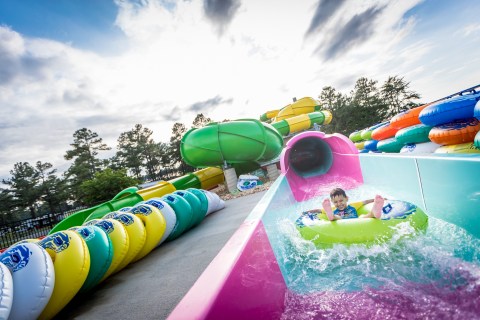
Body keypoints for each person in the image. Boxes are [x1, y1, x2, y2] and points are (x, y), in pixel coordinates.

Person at [305, 188, 384, 221]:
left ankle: (374, 212)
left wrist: (374, 200)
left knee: (362, 216)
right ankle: (331, 216)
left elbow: (365, 202)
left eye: (341, 200)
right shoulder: (332, 209)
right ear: (332, 203)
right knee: (338, 217)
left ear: (346, 198)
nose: (339, 204)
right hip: (341, 222)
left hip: (357, 221)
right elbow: (318, 210)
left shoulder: (354, 205)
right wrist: (307, 212)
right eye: (335, 202)